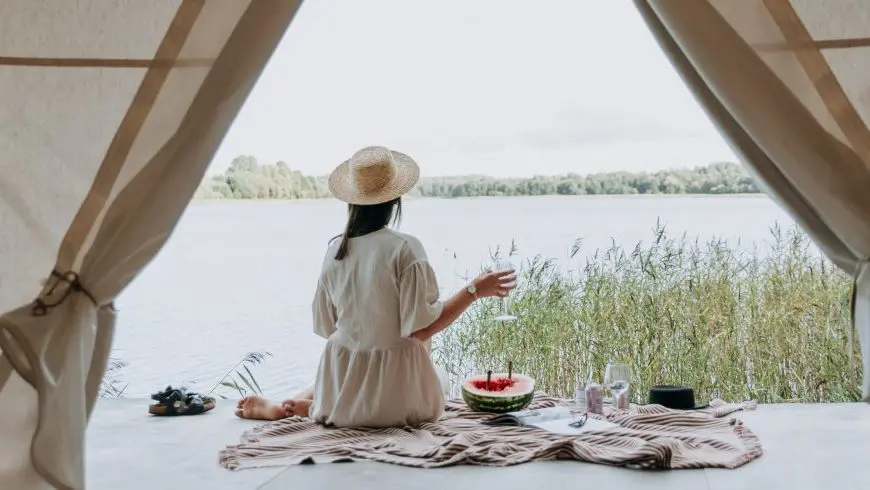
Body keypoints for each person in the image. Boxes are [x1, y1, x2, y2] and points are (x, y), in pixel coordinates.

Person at [236, 146, 516, 426]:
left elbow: (326, 327)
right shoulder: (405, 249)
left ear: (352, 202)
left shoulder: (334, 252)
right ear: (395, 200)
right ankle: (310, 404)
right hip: (397, 403)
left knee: (348, 365)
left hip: (340, 394)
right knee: (439, 376)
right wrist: (474, 290)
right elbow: (422, 329)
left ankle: (300, 404)